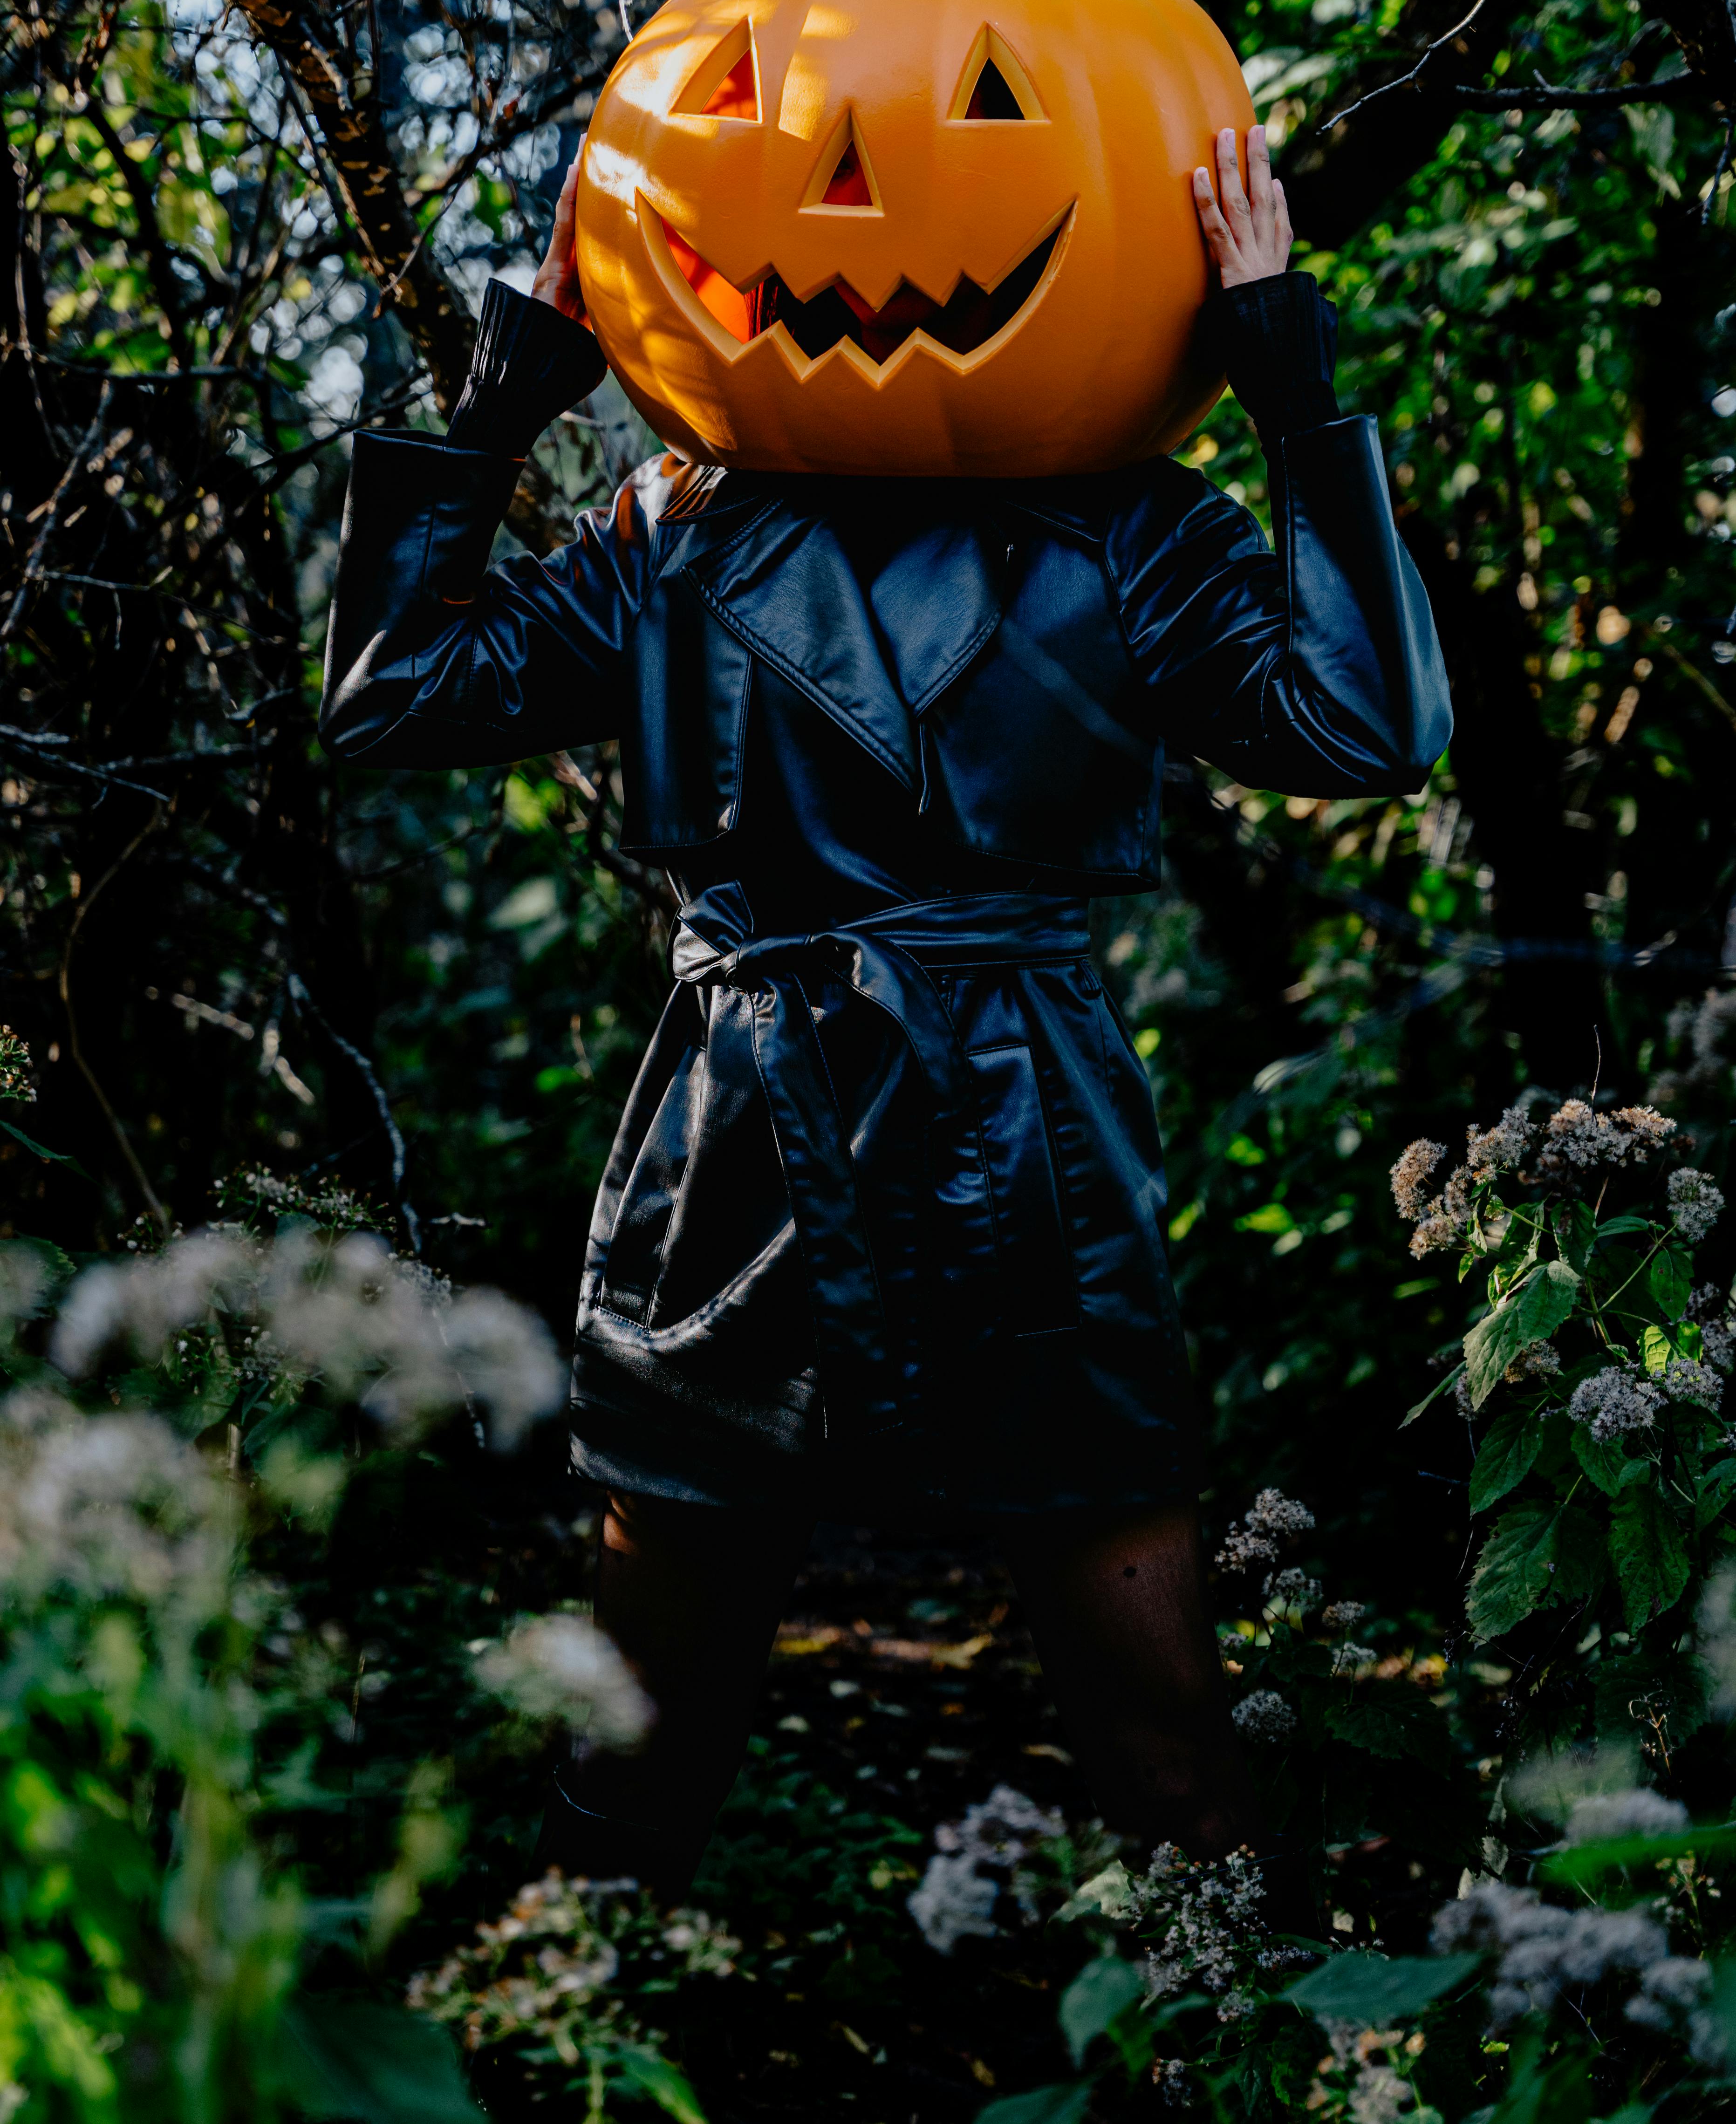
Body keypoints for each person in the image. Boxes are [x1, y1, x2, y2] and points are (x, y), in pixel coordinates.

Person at [320, 124, 1450, 1905]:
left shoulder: (1137, 524)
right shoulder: (674, 526)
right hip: (737, 1138)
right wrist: (498, 403)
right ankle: (572, 2051)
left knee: (1161, 1734)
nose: (871, 223)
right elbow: (396, 697)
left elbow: (1370, 729)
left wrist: (1296, 393)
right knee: (637, 1746)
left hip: (1028, 1133)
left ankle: (1277, 2067)